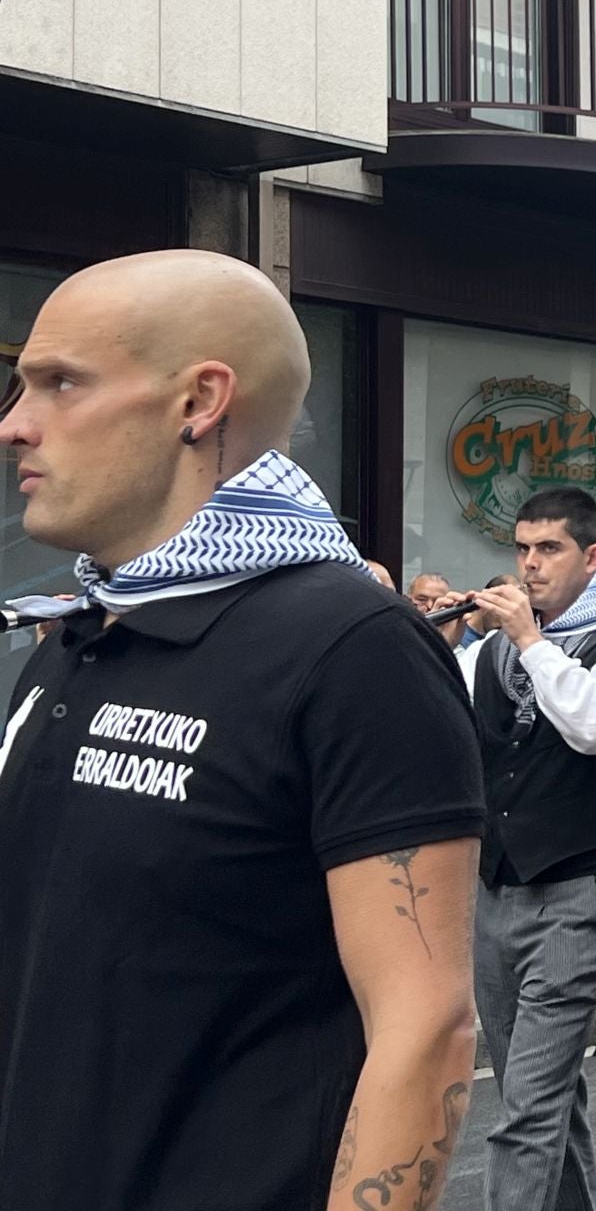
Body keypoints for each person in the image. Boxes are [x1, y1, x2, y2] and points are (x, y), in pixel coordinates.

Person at [0, 250, 486, 1209]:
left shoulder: (353, 647)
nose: (15, 422)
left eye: (60, 382)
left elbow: (427, 1026)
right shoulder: (85, 629)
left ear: (201, 400)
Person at [436, 488, 596, 1211]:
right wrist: (430, 639)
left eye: (549, 550)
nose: (530, 566)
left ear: (591, 556)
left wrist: (533, 642)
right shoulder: (492, 651)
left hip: (575, 899)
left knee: (525, 1116)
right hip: (496, 894)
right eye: (522, 549)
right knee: (542, 1099)